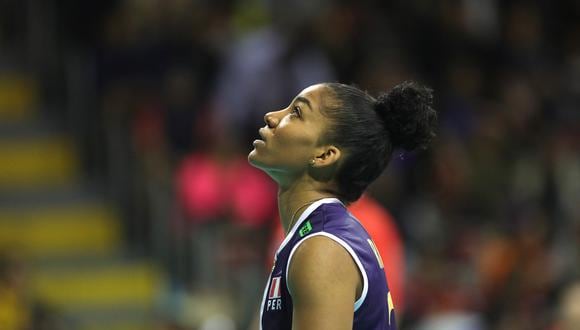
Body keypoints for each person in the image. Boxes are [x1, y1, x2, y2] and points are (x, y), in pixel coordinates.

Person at [248, 81, 437, 329]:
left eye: (296, 113)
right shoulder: (317, 236)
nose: (272, 116)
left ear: (324, 155)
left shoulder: (322, 249)